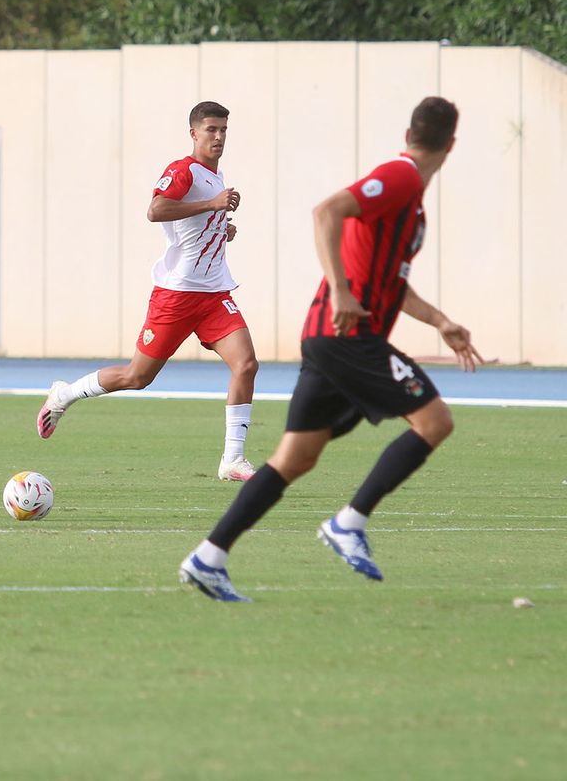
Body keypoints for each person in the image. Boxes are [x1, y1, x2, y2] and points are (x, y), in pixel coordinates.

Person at [179, 97, 481, 602]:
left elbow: (391, 283)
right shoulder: (402, 178)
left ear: (410, 130)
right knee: (436, 421)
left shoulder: (412, 203)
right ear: (451, 144)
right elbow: (326, 211)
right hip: (346, 337)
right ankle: (349, 522)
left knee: (293, 460)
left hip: (330, 340)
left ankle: (208, 557)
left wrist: (441, 321)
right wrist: (340, 290)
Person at [36, 101, 261, 481]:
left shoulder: (216, 176)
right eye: (211, 129)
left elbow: (194, 229)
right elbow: (156, 210)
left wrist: (221, 231)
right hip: (176, 295)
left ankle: (232, 459)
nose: (219, 136)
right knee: (137, 377)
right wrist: (213, 205)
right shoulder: (183, 170)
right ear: (194, 133)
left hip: (214, 293)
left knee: (247, 365)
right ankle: (65, 394)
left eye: (224, 130)